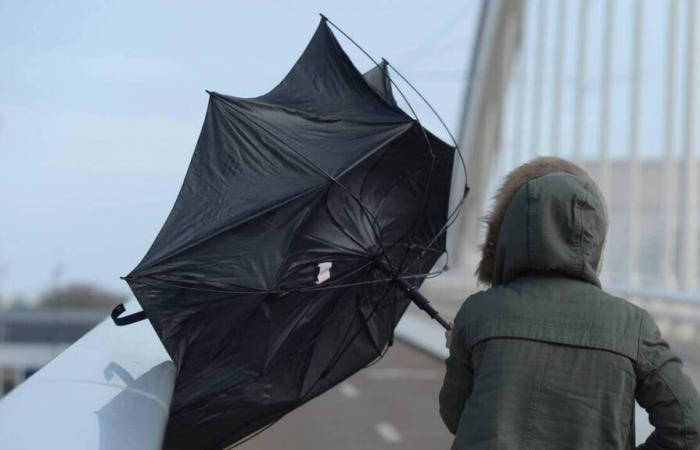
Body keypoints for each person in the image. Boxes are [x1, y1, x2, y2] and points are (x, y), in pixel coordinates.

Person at [439, 157, 700, 449]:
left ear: (513, 230)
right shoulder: (632, 325)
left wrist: (458, 350)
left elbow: (456, 416)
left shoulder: (477, 313)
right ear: (596, 235)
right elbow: (688, 426)